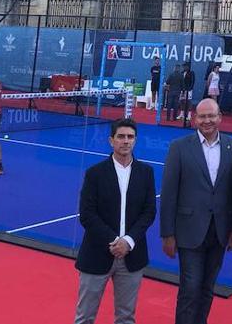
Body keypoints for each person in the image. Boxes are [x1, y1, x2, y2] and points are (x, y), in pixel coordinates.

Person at [160, 98, 232, 324]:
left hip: (219, 232)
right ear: (195, 119)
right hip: (188, 231)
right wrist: (167, 233)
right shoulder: (179, 147)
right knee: (190, 288)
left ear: (220, 117)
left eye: (211, 116)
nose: (207, 121)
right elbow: (168, 193)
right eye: (202, 116)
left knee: (207, 289)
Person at [73, 118, 156, 324]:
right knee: (84, 318)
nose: (125, 141)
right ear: (111, 140)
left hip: (132, 257)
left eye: (130, 137)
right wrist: (114, 241)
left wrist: (128, 241)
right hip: (97, 254)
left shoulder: (146, 173)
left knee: (126, 318)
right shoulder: (95, 174)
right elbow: (87, 214)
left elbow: (149, 212)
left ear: (135, 140)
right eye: (121, 137)